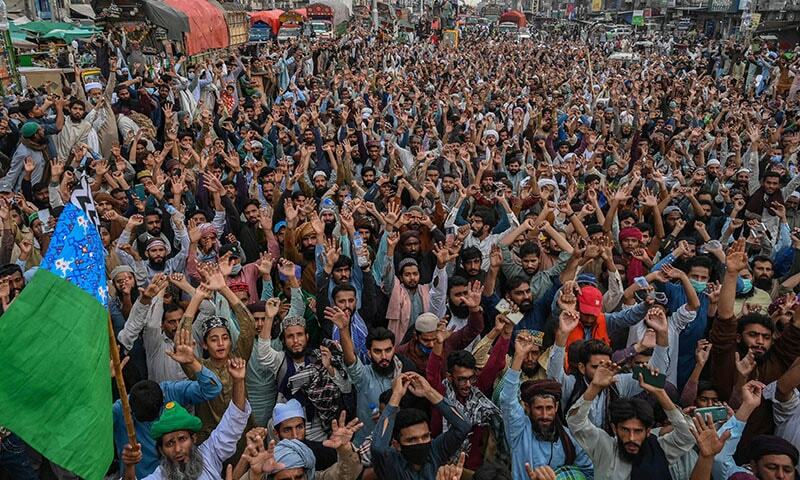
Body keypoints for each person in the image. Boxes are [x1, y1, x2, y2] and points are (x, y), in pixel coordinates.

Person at [120, 357, 251, 479]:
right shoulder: (159, 476)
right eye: (170, 443)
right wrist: (130, 467)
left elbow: (235, 420)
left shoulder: (209, 455)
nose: (178, 449)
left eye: (182, 439)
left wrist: (238, 381)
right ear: (161, 450)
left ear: (193, 439)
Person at [499, 314, 593, 479]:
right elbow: (507, 399)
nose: (544, 415)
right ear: (527, 408)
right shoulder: (520, 431)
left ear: (556, 407)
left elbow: (589, 472)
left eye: (549, 408)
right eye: (538, 409)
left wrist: (561, 477)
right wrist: (519, 356)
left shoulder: (568, 438)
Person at [566, 359, 695, 480]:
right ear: (614, 428)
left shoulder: (660, 449)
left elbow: (689, 435)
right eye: (625, 430)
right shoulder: (604, 448)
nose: (631, 438)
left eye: (638, 431)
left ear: (648, 431)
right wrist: (594, 387)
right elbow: (575, 422)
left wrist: (659, 393)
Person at [370, 372, 473, 480]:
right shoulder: (391, 463)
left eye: (425, 437)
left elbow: (463, 426)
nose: (420, 443)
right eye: (412, 440)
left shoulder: (435, 451)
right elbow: (378, 448)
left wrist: (428, 392)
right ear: (397, 445)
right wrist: (396, 395)